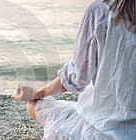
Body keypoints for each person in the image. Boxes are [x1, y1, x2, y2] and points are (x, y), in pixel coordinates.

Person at [11, 0, 136, 139]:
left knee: (34, 105)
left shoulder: (100, 10)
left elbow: (77, 77)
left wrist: (37, 93)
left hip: (100, 130)